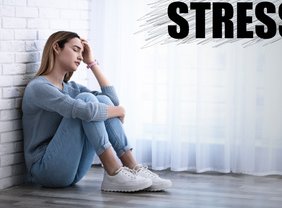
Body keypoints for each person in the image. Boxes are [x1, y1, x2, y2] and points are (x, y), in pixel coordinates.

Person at [21, 31, 172, 192]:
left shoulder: (72, 88)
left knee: (101, 102)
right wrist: (119, 111)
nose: (80, 56)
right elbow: (90, 110)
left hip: (74, 170)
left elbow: (111, 101)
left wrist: (92, 63)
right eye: (75, 49)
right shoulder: (39, 87)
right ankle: (113, 171)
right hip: (46, 169)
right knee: (86, 101)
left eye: (82, 52)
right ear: (56, 48)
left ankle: (132, 166)